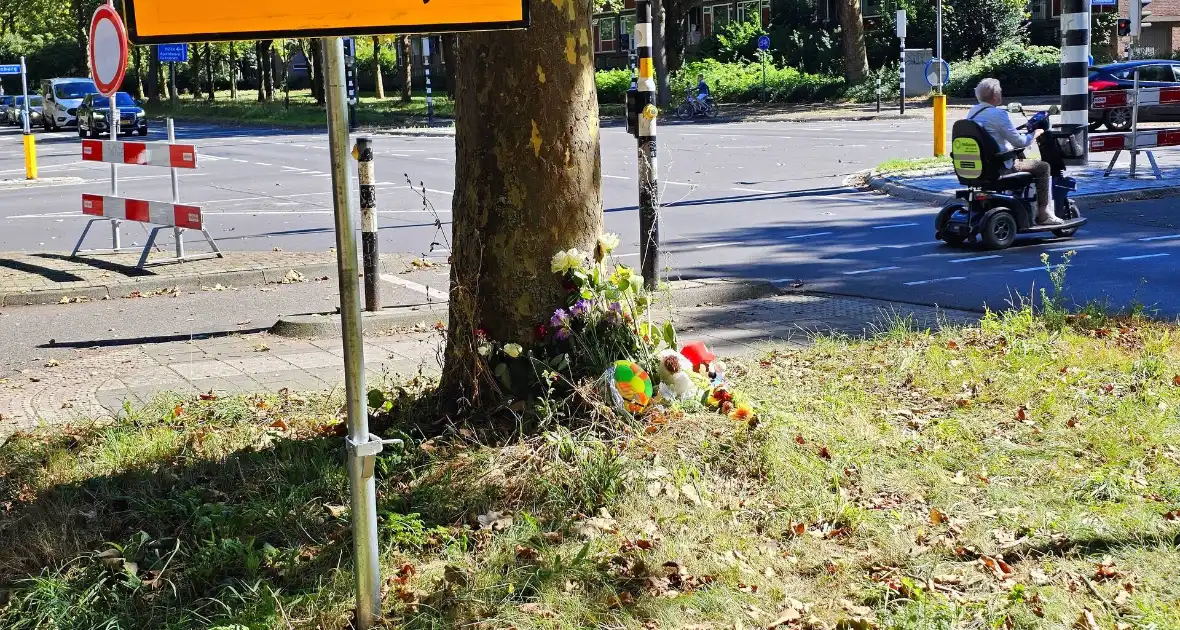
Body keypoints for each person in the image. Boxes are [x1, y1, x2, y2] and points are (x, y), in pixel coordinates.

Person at [966, 78, 1063, 226]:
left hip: (978, 167)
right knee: (1043, 167)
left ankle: (1021, 199)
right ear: (995, 95)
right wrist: (1035, 133)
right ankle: (1044, 214)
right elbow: (1020, 142)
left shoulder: (972, 113)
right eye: (1000, 91)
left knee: (1018, 155)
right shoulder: (998, 115)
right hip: (999, 168)